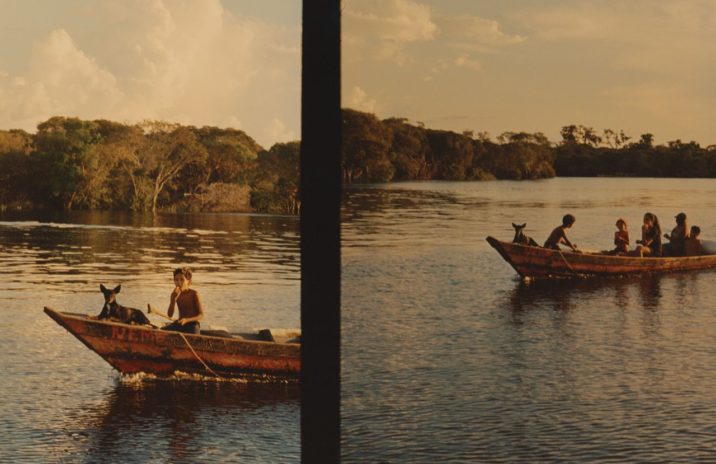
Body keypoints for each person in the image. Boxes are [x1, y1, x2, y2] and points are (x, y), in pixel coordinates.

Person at [161, 267, 204, 334]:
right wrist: (173, 300)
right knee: (162, 331)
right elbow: (170, 315)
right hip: (180, 324)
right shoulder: (174, 294)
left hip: (192, 325)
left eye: (182, 280)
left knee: (194, 331)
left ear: (188, 281)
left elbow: (201, 315)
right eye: (176, 280)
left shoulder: (194, 294)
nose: (179, 282)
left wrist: (187, 320)